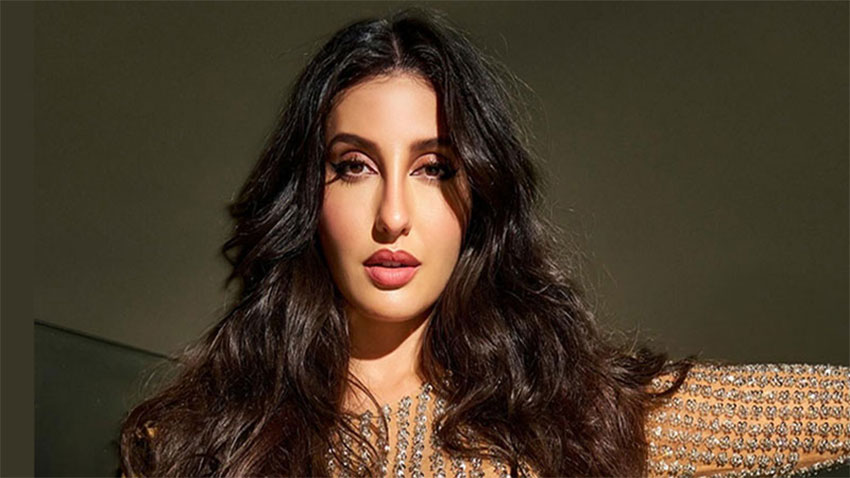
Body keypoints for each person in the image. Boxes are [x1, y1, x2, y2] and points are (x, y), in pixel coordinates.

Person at [119, 7, 849, 478]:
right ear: (307, 194)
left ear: (480, 196)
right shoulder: (190, 439)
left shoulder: (570, 417)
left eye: (434, 168)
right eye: (355, 166)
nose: (393, 216)